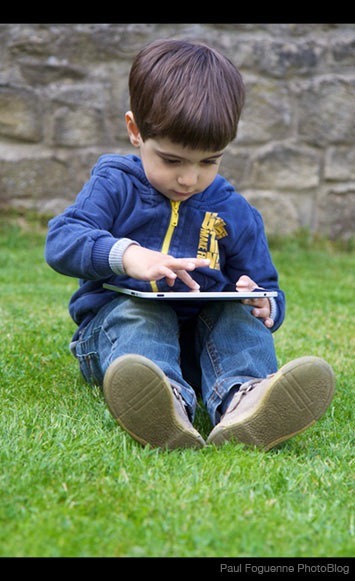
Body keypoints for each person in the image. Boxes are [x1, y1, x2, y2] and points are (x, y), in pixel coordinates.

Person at [45, 38, 335, 450]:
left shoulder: (234, 210)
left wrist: (263, 303)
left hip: (202, 349)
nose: (189, 179)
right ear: (135, 132)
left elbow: (268, 285)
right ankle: (164, 403)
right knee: (141, 314)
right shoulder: (114, 184)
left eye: (209, 162)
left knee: (238, 320)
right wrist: (128, 256)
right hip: (116, 343)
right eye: (172, 160)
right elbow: (62, 240)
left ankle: (244, 400)